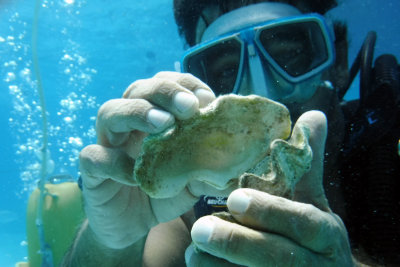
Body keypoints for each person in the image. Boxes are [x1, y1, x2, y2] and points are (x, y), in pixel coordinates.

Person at [61, 0, 400, 266]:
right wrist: (109, 243)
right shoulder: (185, 192)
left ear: (336, 60)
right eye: (226, 71)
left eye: (290, 57)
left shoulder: (389, 149)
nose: (263, 91)